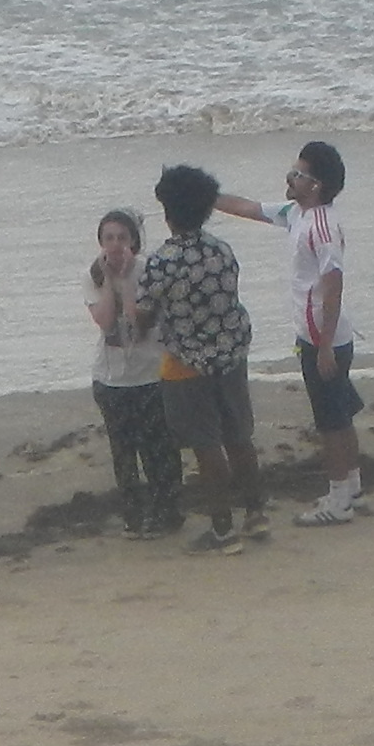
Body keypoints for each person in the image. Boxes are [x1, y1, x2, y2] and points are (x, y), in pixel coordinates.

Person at [214, 140, 362, 522]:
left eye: (298, 174)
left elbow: (333, 284)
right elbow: (247, 208)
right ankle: (352, 485)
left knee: (331, 421)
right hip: (315, 334)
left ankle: (338, 498)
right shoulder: (294, 213)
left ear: (315, 185)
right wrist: (205, 195)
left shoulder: (323, 228)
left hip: (323, 338)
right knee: (341, 411)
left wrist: (325, 344)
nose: (290, 178)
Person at [136, 162, 263, 551]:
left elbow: (142, 317)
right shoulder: (221, 251)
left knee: (206, 445)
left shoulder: (162, 262)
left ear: (169, 211)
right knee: (239, 437)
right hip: (231, 354)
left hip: (186, 363)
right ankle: (257, 513)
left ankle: (222, 530)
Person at [84, 207, 182, 536]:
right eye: (108, 238)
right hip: (111, 378)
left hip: (150, 373)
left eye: (121, 238)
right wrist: (110, 279)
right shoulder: (93, 274)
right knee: (122, 450)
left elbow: (139, 324)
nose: (114, 245)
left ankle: (167, 510)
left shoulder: (147, 271)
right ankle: (133, 514)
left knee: (158, 448)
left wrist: (127, 280)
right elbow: (106, 322)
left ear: (133, 241)